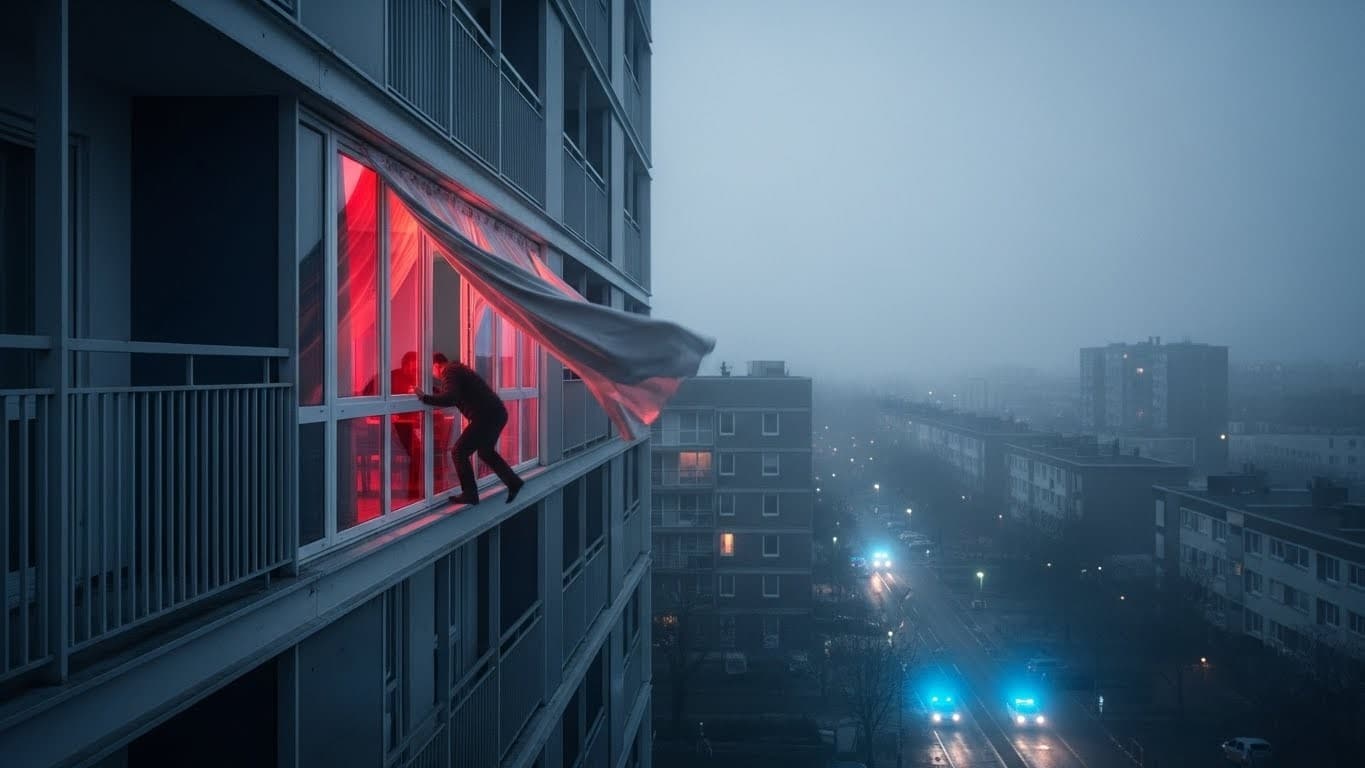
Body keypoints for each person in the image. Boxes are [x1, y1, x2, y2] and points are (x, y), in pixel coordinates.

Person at [416, 353, 525, 505]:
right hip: (496, 414)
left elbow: (451, 398)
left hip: (486, 417)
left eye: (431, 369)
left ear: (436, 365)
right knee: (486, 452)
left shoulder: (449, 371)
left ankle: (470, 494)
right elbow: (455, 393)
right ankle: (513, 482)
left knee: (458, 452)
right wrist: (435, 392)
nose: (433, 374)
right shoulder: (457, 369)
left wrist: (424, 397)